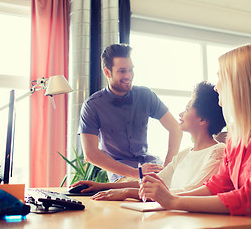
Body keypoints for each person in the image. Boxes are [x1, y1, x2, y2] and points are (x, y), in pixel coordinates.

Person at [139, 45, 251, 229]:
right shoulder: (236, 134)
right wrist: (168, 198)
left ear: (242, 83)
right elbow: (217, 186)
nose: (217, 86)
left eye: (221, 78)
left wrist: (173, 201)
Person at [71, 82, 226, 201]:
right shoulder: (183, 155)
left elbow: (189, 192)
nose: (180, 113)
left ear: (202, 120)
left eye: (187, 109)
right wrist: (102, 186)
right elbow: (151, 183)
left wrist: (127, 193)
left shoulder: (218, 152)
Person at [78, 44, 183, 182]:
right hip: (121, 173)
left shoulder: (146, 95)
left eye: (131, 70)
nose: (128, 75)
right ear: (107, 72)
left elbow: (176, 128)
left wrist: (168, 168)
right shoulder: (92, 106)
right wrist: (136, 173)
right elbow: (90, 154)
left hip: (150, 165)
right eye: (122, 71)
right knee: (143, 191)